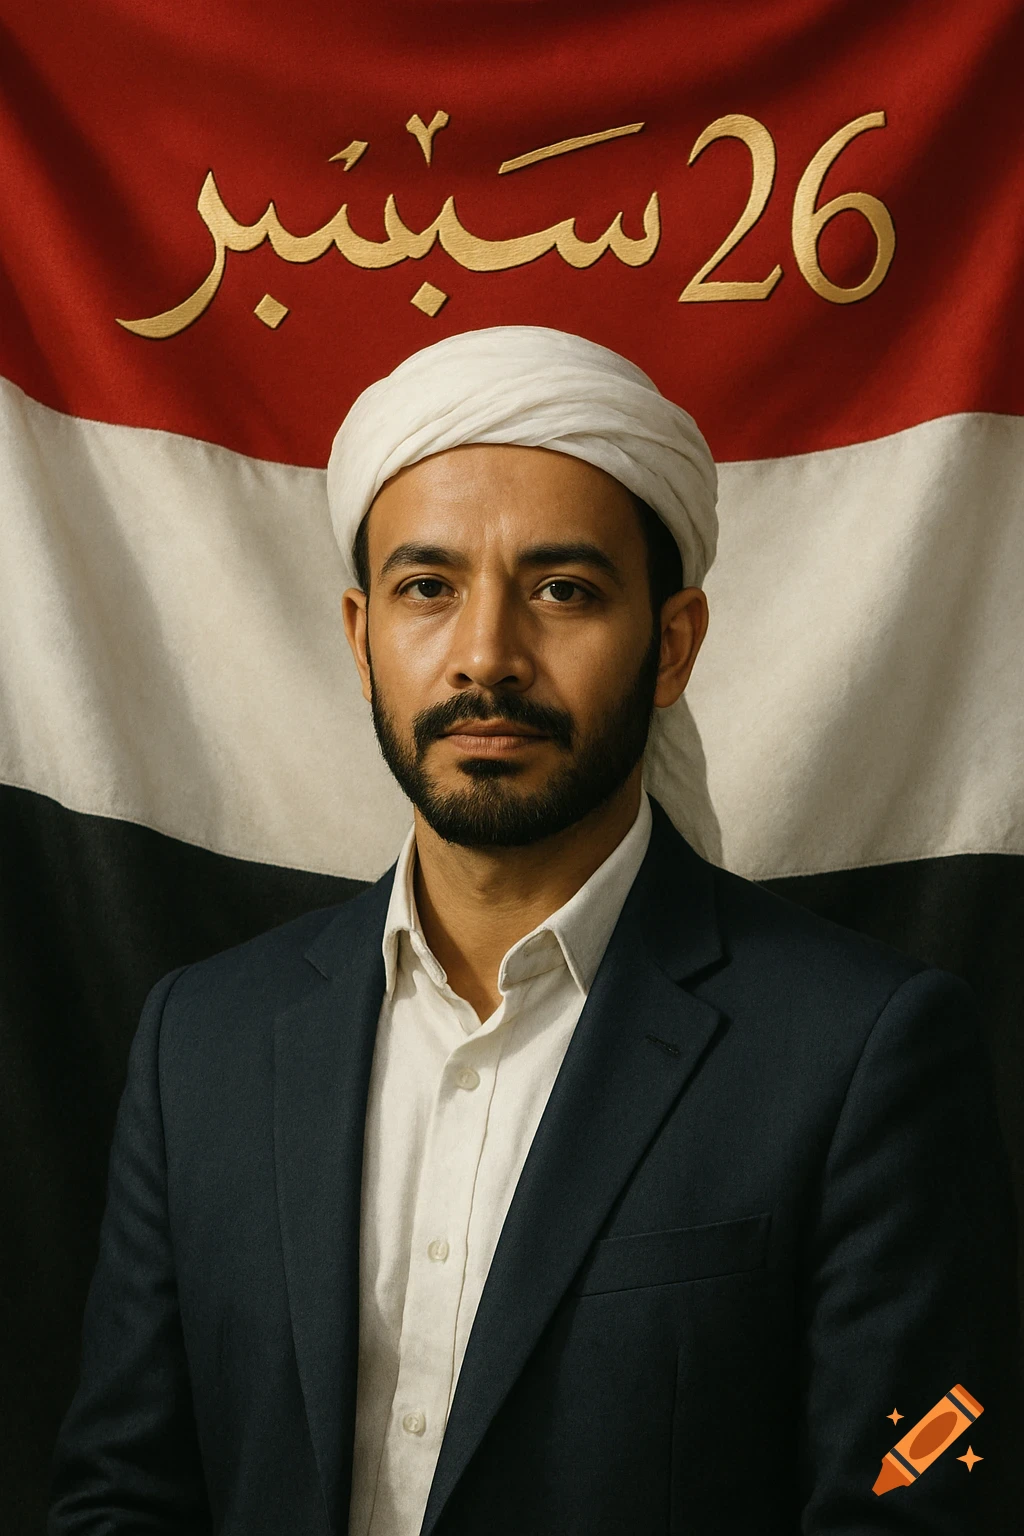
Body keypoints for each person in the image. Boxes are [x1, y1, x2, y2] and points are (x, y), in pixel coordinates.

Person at [49, 327, 1019, 1535]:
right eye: (428, 588)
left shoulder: (862, 1051)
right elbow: (121, 1497)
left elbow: (915, 1505)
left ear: (671, 646)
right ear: (360, 638)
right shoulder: (201, 1041)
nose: (486, 658)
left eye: (562, 590)